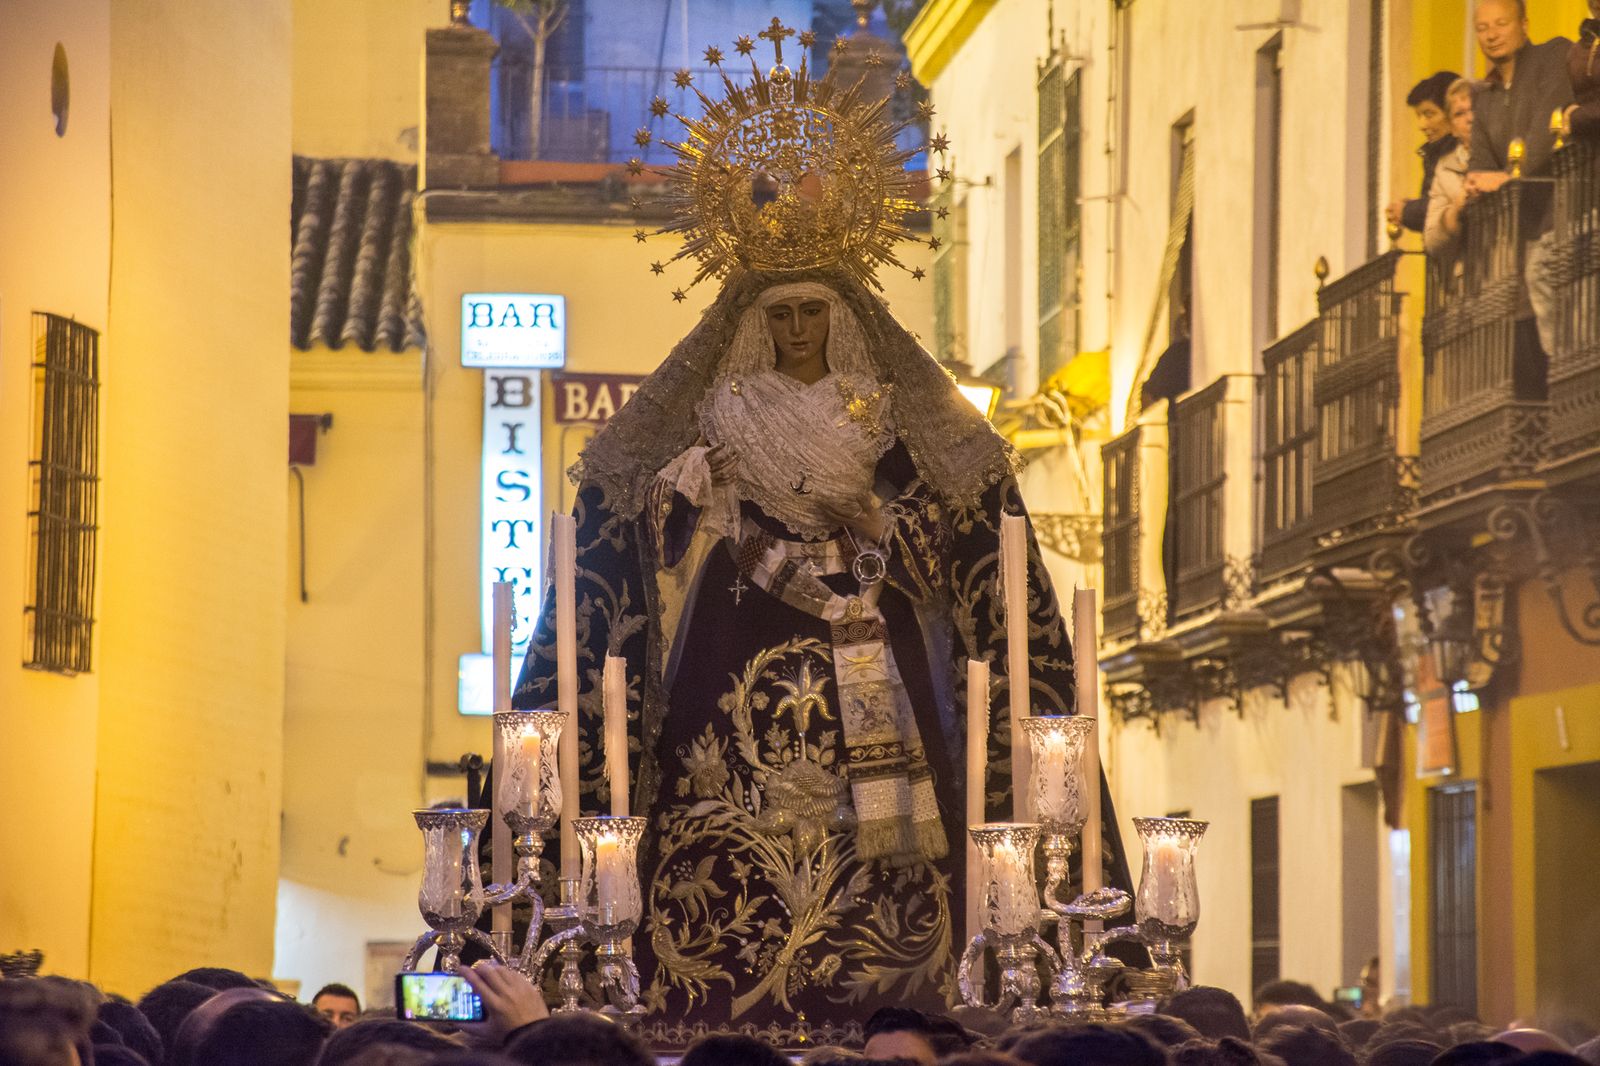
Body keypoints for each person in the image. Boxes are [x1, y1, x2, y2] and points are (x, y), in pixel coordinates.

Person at [511, 20, 1135, 1038]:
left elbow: (940, 531)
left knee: (885, 832)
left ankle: (903, 980)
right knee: (719, 792)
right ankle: (702, 977)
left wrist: (877, 523)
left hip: (866, 620)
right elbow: (655, 531)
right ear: (758, 323)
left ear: (837, 318)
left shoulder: (881, 411)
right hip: (740, 615)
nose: (798, 332)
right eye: (782, 317)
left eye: (813, 314)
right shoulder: (723, 411)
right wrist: (694, 500)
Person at [1466, 0, 1574, 192]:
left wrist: (1508, 178)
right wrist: (1474, 184)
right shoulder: (1485, 96)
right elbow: (1480, 167)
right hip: (1511, 213)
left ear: (1524, 25)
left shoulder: (1553, 56)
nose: (1491, 35)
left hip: (1560, 201)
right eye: (1482, 28)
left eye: (1502, 24)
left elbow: (1547, 132)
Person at [1388, 71, 1462, 234]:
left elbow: (1446, 205)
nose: (1421, 125)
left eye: (1429, 114)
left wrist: (1406, 211)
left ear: (1453, 112)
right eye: (1419, 116)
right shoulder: (1435, 152)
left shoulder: (1461, 154)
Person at [1427, 79, 1478, 260]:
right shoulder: (1445, 170)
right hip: (1468, 274)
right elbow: (1431, 239)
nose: (1470, 118)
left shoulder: (1507, 154)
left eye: (1474, 109)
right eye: (1460, 114)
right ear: (1452, 128)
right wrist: (1454, 212)